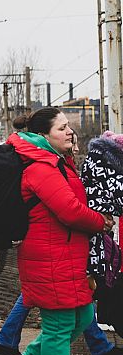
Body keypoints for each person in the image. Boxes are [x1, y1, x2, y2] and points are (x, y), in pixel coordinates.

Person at [5, 108, 111, 355]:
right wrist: (100, 221)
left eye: (69, 127)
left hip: (64, 254)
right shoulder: (40, 168)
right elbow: (70, 210)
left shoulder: (56, 163)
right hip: (50, 257)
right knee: (59, 325)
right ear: (43, 136)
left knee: (80, 317)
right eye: (62, 127)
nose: (70, 132)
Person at [0, 293, 123, 355]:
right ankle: (100, 349)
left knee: (30, 292)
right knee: (79, 294)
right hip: (55, 251)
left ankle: (6, 343)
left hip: (44, 251)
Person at [83, 130, 123, 340]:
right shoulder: (106, 165)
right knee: (88, 290)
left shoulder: (96, 161)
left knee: (85, 295)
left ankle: (100, 348)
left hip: (97, 233)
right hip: (95, 233)